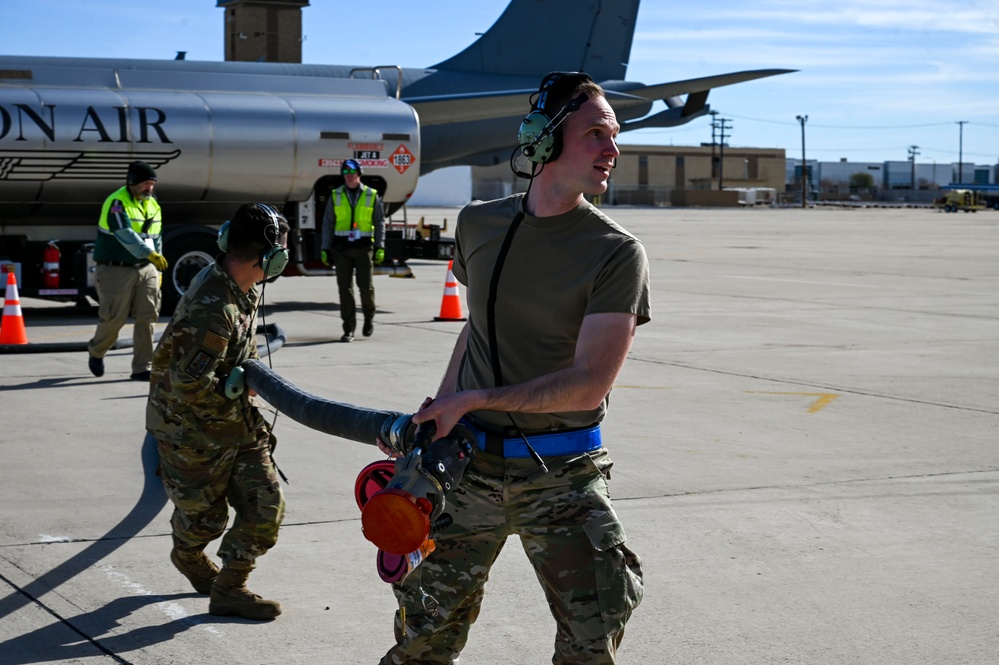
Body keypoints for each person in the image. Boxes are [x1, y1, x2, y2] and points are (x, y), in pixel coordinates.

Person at [379, 72, 651, 664]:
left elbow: (588, 385)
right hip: (467, 466)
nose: (614, 149)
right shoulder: (478, 223)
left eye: (616, 136)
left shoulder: (615, 251)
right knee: (422, 633)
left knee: (591, 640)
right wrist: (438, 413)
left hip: (563, 475)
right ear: (545, 142)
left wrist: (471, 400)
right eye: (598, 134)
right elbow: (475, 332)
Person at [146, 202, 290, 621]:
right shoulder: (215, 307)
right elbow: (189, 386)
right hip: (191, 429)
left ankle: (231, 587)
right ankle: (189, 556)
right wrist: (232, 388)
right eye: (282, 251)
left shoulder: (243, 287)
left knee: (267, 507)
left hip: (234, 422)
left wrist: (240, 385)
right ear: (269, 258)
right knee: (203, 520)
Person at [87, 160, 168, 381]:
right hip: (116, 269)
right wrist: (148, 254)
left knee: (148, 316)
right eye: (145, 184)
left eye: (152, 184)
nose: (149, 188)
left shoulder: (153, 204)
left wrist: (156, 268)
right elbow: (124, 233)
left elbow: (156, 237)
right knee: (114, 319)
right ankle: (96, 351)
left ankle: (142, 367)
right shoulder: (117, 202)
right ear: (132, 182)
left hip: (146, 269)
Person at [320, 158, 386, 342]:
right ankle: (348, 329)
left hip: (364, 247)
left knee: (366, 288)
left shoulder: (371, 195)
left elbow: (379, 222)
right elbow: (328, 223)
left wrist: (380, 245)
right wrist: (325, 248)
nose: (349, 176)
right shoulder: (336, 195)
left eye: (352, 172)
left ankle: (369, 318)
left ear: (359, 173)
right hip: (341, 248)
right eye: (345, 173)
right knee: (345, 289)